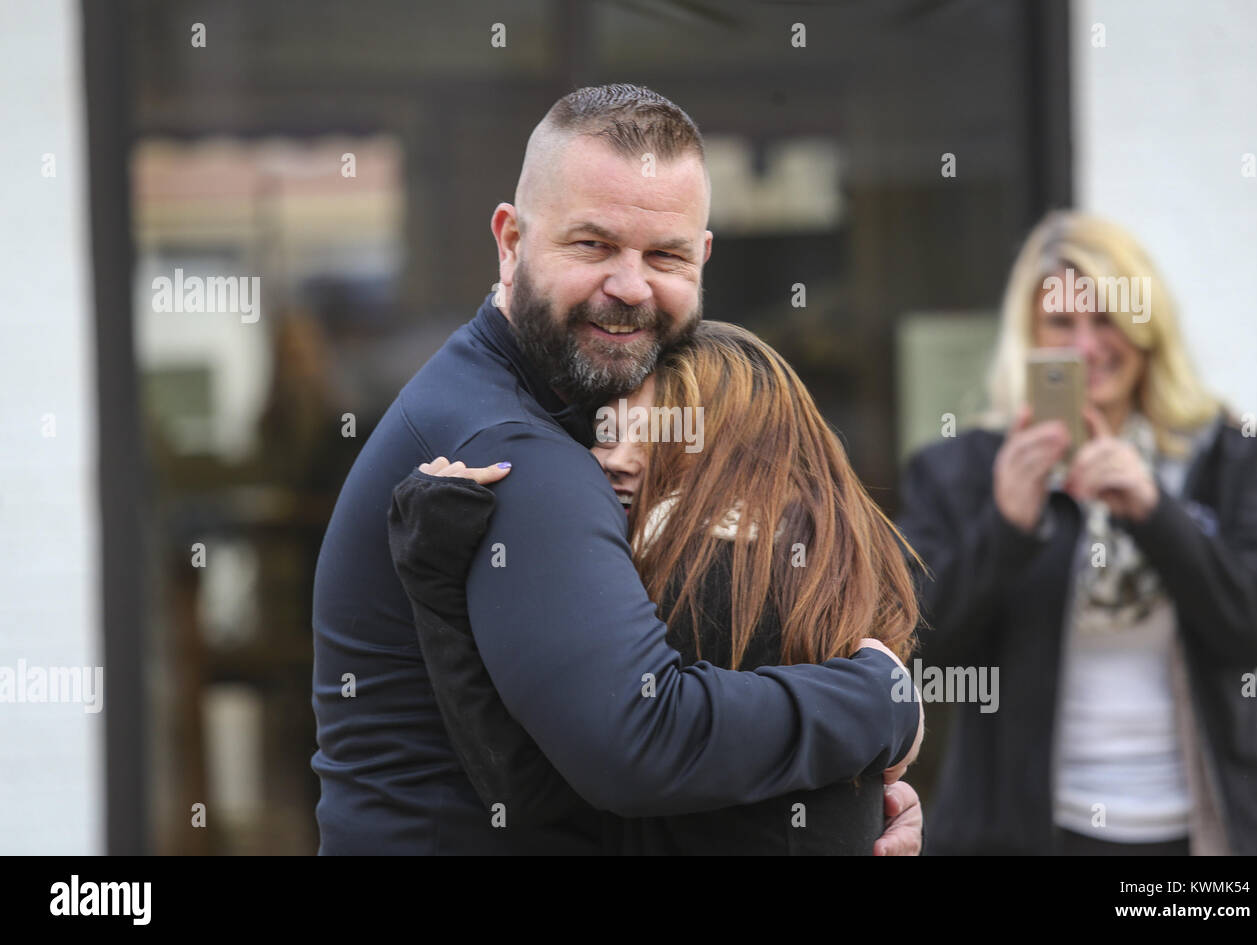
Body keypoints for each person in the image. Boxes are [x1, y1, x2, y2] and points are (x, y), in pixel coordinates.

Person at [310, 83, 924, 854]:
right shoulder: (519, 449)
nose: (630, 287)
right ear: (510, 242)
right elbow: (641, 739)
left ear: (701, 259)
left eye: (663, 254)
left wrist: (850, 803)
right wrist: (879, 702)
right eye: (592, 245)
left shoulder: (536, 407)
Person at [388, 321, 924, 854]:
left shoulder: (724, 569)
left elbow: (546, 791)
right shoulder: (813, 567)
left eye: (658, 437)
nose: (616, 459)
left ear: (739, 453)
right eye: (606, 434)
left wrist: (885, 705)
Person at [896, 210, 1257, 855]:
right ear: (1027, 336)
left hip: (1205, 834)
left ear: (1146, 329)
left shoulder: (1221, 457)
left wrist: (1156, 512)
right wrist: (1006, 526)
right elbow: (914, 647)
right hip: (1029, 834)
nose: (1087, 346)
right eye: (1061, 322)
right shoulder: (965, 467)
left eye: (1107, 316)